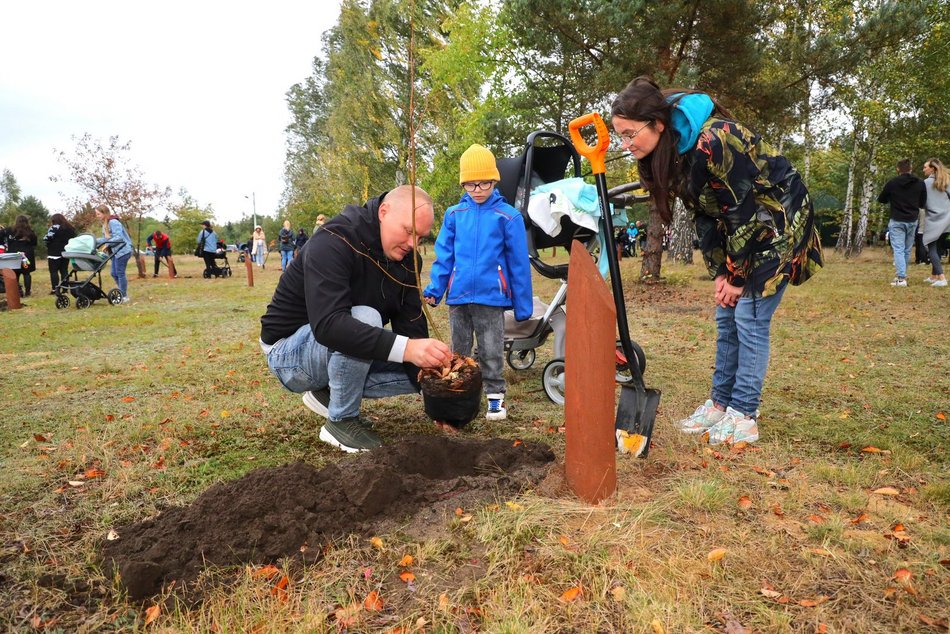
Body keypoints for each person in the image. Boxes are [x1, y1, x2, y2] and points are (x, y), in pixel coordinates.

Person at [610, 76, 823, 445]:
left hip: (778, 223)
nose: (626, 145)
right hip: (742, 231)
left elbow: (743, 211)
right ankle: (720, 404)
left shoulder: (714, 139)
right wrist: (720, 273)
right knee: (727, 317)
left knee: (750, 317)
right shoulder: (674, 151)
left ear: (657, 124)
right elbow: (706, 215)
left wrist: (737, 276)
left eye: (630, 135)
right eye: (621, 137)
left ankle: (744, 415)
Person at [259, 185, 452, 453]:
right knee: (367, 318)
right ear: (384, 212)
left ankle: (327, 394)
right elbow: (329, 326)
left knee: (424, 361)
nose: (412, 244)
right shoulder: (333, 240)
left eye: (420, 237)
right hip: (288, 355)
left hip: (331, 350)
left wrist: (438, 397)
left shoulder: (409, 261)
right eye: (408, 231)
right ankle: (341, 421)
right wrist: (408, 349)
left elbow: (412, 330)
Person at [423, 144, 532, 422]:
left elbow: (519, 264)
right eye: (471, 184)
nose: (478, 189)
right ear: (463, 183)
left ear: (495, 180)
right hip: (458, 298)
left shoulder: (508, 216)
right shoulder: (454, 215)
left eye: (484, 182)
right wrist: (436, 289)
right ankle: (462, 397)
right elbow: (444, 257)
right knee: (459, 352)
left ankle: (495, 399)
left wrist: (523, 306)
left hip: (490, 298)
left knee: (491, 351)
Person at [877, 159, 927, 287]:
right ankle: (902, 275)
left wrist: (892, 198)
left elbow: (881, 199)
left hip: (897, 219)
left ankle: (901, 277)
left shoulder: (892, 183)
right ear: (911, 168)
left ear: (898, 169)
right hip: (912, 220)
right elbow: (922, 203)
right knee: (907, 249)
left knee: (898, 249)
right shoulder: (920, 183)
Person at [94, 204, 133, 303]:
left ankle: (124, 296)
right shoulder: (105, 224)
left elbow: (118, 237)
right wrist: (93, 241)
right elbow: (106, 239)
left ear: (104, 213)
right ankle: (122, 293)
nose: (97, 216)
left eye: (98, 214)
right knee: (113, 273)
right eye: (96, 214)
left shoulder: (113, 222)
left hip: (123, 250)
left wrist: (107, 244)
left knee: (120, 273)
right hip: (115, 251)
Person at [922, 158, 950, 287]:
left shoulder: (925, 184)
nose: (924, 170)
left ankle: (942, 278)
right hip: (947, 219)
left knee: (931, 247)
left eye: (925, 167)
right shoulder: (947, 181)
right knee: (938, 248)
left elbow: (921, 202)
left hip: (933, 220)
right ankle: (934, 276)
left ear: (932, 169)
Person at [0, 215, 38, 297]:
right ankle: (27, 292)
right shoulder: (30, 232)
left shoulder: (9, 230)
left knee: (15, 273)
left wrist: (4, 243)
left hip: (14, 255)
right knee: (26, 273)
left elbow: (0, 235)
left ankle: (17, 291)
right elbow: (34, 243)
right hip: (26, 255)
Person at [44, 213, 77, 293]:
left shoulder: (54, 228)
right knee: (64, 270)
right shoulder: (70, 228)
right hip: (66, 251)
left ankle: (55, 288)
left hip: (54, 252)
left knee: (53, 271)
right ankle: (65, 288)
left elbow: (47, 238)